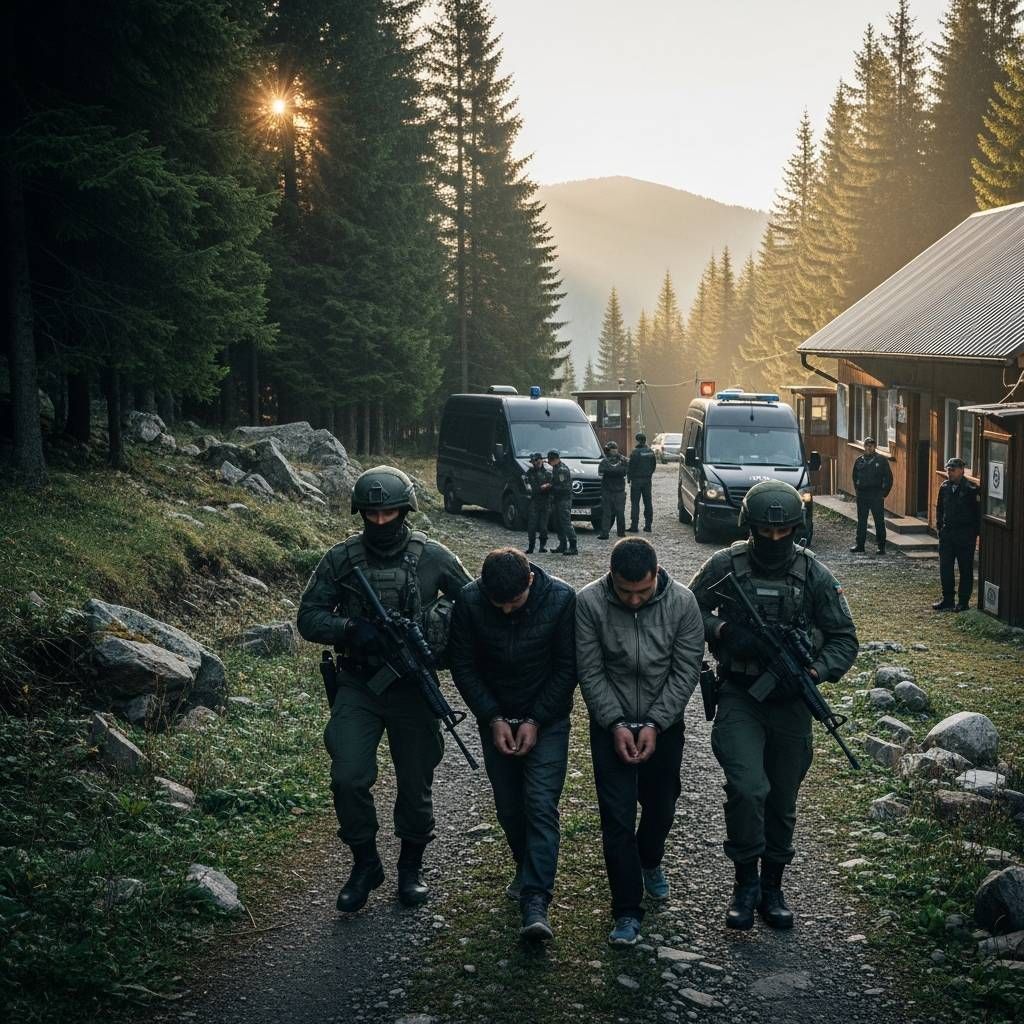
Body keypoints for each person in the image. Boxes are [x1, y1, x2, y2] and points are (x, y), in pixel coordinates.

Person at [297, 466, 472, 914]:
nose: (379, 522)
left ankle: (411, 867)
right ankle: (365, 864)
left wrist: (439, 629)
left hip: (413, 687)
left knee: (416, 781)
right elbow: (309, 617)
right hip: (359, 683)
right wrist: (350, 628)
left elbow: (475, 604)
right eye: (371, 514)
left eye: (388, 513)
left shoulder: (434, 557)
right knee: (348, 776)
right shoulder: (341, 559)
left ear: (405, 511)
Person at [689, 481, 858, 931]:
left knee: (782, 799)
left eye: (784, 531)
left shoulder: (813, 573)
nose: (775, 538)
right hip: (740, 694)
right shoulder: (724, 565)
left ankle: (772, 887)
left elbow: (844, 639)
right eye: (766, 531)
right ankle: (745, 884)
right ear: (750, 527)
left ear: (797, 529)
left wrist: (814, 672)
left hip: (791, 702)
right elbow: (685, 610)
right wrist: (724, 632)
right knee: (748, 789)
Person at [576, 537, 705, 947]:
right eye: (625, 591)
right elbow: (589, 670)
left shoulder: (683, 603)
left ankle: (650, 859)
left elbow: (685, 670)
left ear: (657, 574)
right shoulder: (589, 602)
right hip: (608, 725)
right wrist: (614, 722)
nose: (633, 600)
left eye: (643, 592)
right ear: (611, 577)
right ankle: (627, 911)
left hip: (663, 726)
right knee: (616, 818)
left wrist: (656, 722)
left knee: (661, 806)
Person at [449, 548, 576, 942]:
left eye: (514, 602)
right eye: (497, 603)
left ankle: (536, 901)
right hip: (497, 717)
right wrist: (493, 717)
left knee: (540, 803)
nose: (505, 610)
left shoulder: (561, 599)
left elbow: (568, 667)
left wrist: (536, 719)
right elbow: (463, 665)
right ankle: (524, 863)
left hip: (548, 721)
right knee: (508, 806)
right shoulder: (469, 600)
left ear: (530, 581)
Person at [933, 456, 980, 612]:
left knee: (965, 569)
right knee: (945, 568)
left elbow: (978, 514)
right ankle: (948, 599)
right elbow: (940, 509)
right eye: (948, 470)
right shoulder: (945, 487)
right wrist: (940, 528)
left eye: (953, 470)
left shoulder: (971, 489)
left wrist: (974, 534)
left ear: (961, 470)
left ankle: (963, 602)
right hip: (947, 535)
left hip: (965, 535)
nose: (950, 473)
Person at [850, 437, 893, 554]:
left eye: (871, 445)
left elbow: (888, 478)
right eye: (867, 445)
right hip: (862, 495)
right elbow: (854, 476)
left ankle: (881, 547)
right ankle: (860, 545)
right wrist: (857, 491)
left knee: (879, 521)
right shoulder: (859, 460)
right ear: (864, 447)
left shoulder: (881, 460)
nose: (869, 447)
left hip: (876, 495)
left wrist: (884, 493)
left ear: (874, 447)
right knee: (861, 521)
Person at [547, 449, 578, 556]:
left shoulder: (562, 470)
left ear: (555, 459)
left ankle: (573, 546)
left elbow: (564, 487)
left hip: (564, 500)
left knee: (565, 522)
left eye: (550, 460)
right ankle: (562, 544)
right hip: (557, 499)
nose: (549, 462)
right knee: (557, 523)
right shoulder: (556, 468)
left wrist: (551, 487)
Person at [597, 441, 628, 540]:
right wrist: (616, 471)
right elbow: (624, 472)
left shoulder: (605, 461)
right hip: (617, 491)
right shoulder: (622, 460)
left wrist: (609, 471)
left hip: (610, 491)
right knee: (618, 513)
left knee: (609, 513)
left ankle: (605, 533)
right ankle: (620, 533)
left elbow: (601, 473)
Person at [627, 432, 657, 534]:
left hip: (636, 481)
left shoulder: (635, 452)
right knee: (648, 503)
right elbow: (653, 466)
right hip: (647, 480)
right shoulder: (650, 452)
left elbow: (631, 467)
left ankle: (634, 526)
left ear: (638, 440)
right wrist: (649, 474)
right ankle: (648, 526)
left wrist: (629, 478)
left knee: (635, 503)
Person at [524, 452, 552, 555]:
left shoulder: (548, 473)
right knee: (531, 526)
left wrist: (547, 487)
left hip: (545, 502)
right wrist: (541, 488)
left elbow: (552, 486)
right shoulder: (529, 472)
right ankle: (531, 547)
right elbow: (528, 486)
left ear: (541, 460)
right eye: (533, 461)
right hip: (534, 501)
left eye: (536, 460)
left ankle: (542, 546)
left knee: (543, 527)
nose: (535, 463)